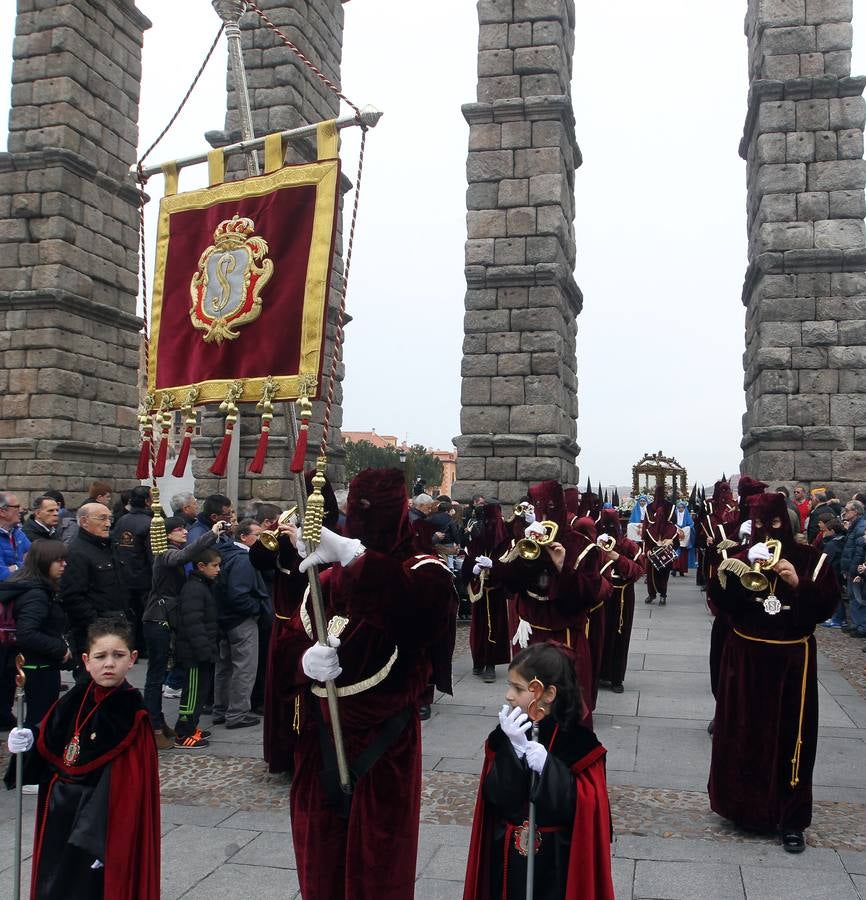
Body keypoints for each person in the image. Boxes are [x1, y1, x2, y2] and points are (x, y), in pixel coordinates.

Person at [284, 467, 457, 900]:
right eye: (354, 510)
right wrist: (304, 660)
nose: (362, 517)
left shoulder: (424, 571)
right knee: (320, 861)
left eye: (371, 510)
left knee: (377, 864)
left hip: (384, 741)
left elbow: (419, 621)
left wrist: (355, 555)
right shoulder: (322, 579)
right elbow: (288, 640)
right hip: (322, 736)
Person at [707, 492, 839, 853]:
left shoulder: (811, 560)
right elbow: (722, 606)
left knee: (789, 738)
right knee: (742, 732)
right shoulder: (738, 557)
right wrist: (736, 570)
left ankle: (790, 818)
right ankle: (742, 807)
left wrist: (798, 583)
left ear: (788, 522)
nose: (768, 532)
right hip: (745, 659)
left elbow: (828, 605)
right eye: (762, 524)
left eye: (776, 524)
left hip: (790, 663)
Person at [4, 618, 160, 899]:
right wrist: (27, 741)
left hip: (96, 828)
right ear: (87, 661)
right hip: (57, 814)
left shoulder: (132, 714)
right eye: (100, 657)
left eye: (118, 655)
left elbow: (127, 788)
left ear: (132, 659)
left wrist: (102, 840)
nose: (109, 664)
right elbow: (49, 736)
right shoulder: (75, 697)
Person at [462, 641, 615, 900]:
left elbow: (582, 806)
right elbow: (495, 796)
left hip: (558, 860)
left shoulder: (578, 742)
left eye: (518, 688)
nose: (509, 695)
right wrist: (514, 752)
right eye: (509, 686)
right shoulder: (507, 734)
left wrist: (549, 767)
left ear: (547, 693)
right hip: (507, 854)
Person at [141, 516, 221, 750]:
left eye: (184, 528)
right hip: (158, 619)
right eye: (178, 529)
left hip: (169, 620)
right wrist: (211, 534)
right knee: (156, 676)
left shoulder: (173, 553)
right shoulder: (165, 554)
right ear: (166, 533)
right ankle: (155, 724)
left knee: (162, 674)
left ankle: (165, 724)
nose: (184, 532)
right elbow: (184, 556)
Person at [0, 540, 71, 729]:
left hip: (37, 664)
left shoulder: (36, 587)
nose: (64, 565)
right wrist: (60, 649)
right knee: (39, 722)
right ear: (44, 562)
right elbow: (27, 633)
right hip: (38, 666)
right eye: (59, 560)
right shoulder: (36, 594)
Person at [60, 503, 130, 675]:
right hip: (92, 633)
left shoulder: (109, 546)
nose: (108, 523)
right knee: (91, 683)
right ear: (84, 521)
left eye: (110, 518)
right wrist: (96, 624)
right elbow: (72, 596)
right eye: (102, 518)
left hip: (117, 626)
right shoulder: (77, 552)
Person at [213, 519, 267, 730]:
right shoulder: (244, 559)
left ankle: (220, 710)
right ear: (244, 537)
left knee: (224, 667)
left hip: (224, 619)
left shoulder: (226, 553)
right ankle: (237, 714)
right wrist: (257, 608)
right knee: (244, 667)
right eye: (258, 534)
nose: (262, 538)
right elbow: (239, 594)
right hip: (240, 620)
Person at [172, 547, 221, 748]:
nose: (218, 569)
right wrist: (203, 651)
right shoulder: (194, 588)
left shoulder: (202, 586)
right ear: (201, 566)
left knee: (199, 692)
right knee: (192, 693)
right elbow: (193, 623)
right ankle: (183, 732)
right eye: (215, 565)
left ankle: (192, 726)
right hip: (194, 653)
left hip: (202, 649)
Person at [462, 500, 512, 683]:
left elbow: (510, 565)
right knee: (479, 626)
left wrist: (494, 566)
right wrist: (472, 570)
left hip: (496, 590)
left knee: (495, 627)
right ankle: (478, 660)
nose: (492, 525)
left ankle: (490, 663)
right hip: (480, 589)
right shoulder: (477, 535)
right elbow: (468, 559)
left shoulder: (505, 539)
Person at [598, 508, 646, 694]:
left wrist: (617, 558)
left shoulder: (628, 545)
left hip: (622, 596)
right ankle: (599, 673)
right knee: (599, 634)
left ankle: (616, 677)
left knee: (619, 636)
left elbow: (638, 570)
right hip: (601, 595)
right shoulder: (596, 544)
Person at [111, 486, 153, 655]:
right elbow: (152, 554)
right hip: (143, 576)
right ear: (147, 501)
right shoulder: (149, 522)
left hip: (124, 574)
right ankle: (142, 647)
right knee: (144, 614)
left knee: (130, 614)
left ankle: (131, 646)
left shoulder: (122, 520)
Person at [642, 488, 678, 606]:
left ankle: (663, 595)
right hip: (652, 554)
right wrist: (647, 551)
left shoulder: (671, 529)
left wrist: (670, 542)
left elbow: (676, 542)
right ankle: (651, 594)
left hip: (665, 555)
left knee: (664, 575)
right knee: (651, 575)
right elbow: (646, 540)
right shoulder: (650, 529)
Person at [670, 499, 694, 577]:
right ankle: (674, 568)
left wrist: (685, 529)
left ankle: (681, 570)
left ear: (684, 508)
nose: (680, 509)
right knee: (675, 552)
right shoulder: (675, 515)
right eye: (679, 507)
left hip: (685, 537)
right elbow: (671, 523)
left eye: (682, 507)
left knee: (683, 554)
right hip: (676, 537)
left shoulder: (687, 515)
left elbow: (691, 525)